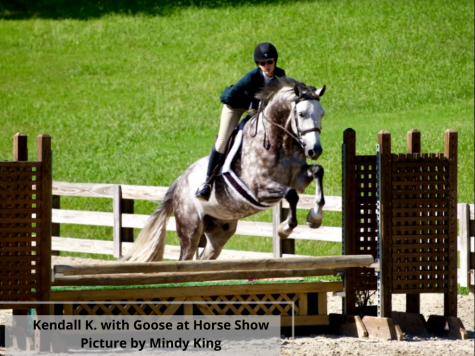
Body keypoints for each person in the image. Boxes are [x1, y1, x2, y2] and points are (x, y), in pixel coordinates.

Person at [195, 42, 287, 201]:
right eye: (262, 63)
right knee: (223, 140)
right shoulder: (251, 76)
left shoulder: (280, 75)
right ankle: (207, 183)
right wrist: (252, 105)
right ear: (258, 64)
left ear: (275, 61)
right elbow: (227, 97)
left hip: (256, 108)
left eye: (269, 62)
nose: (266, 66)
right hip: (235, 106)